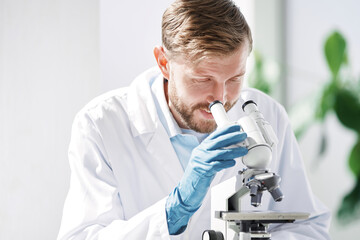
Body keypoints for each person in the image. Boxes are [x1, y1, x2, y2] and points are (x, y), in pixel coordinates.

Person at [57, 0, 331, 239]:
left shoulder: (267, 113)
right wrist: (176, 210)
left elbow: (310, 227)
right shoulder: (102, 125)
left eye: (235, 78)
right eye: (202, 79)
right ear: (164, 63)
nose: (221, 98)